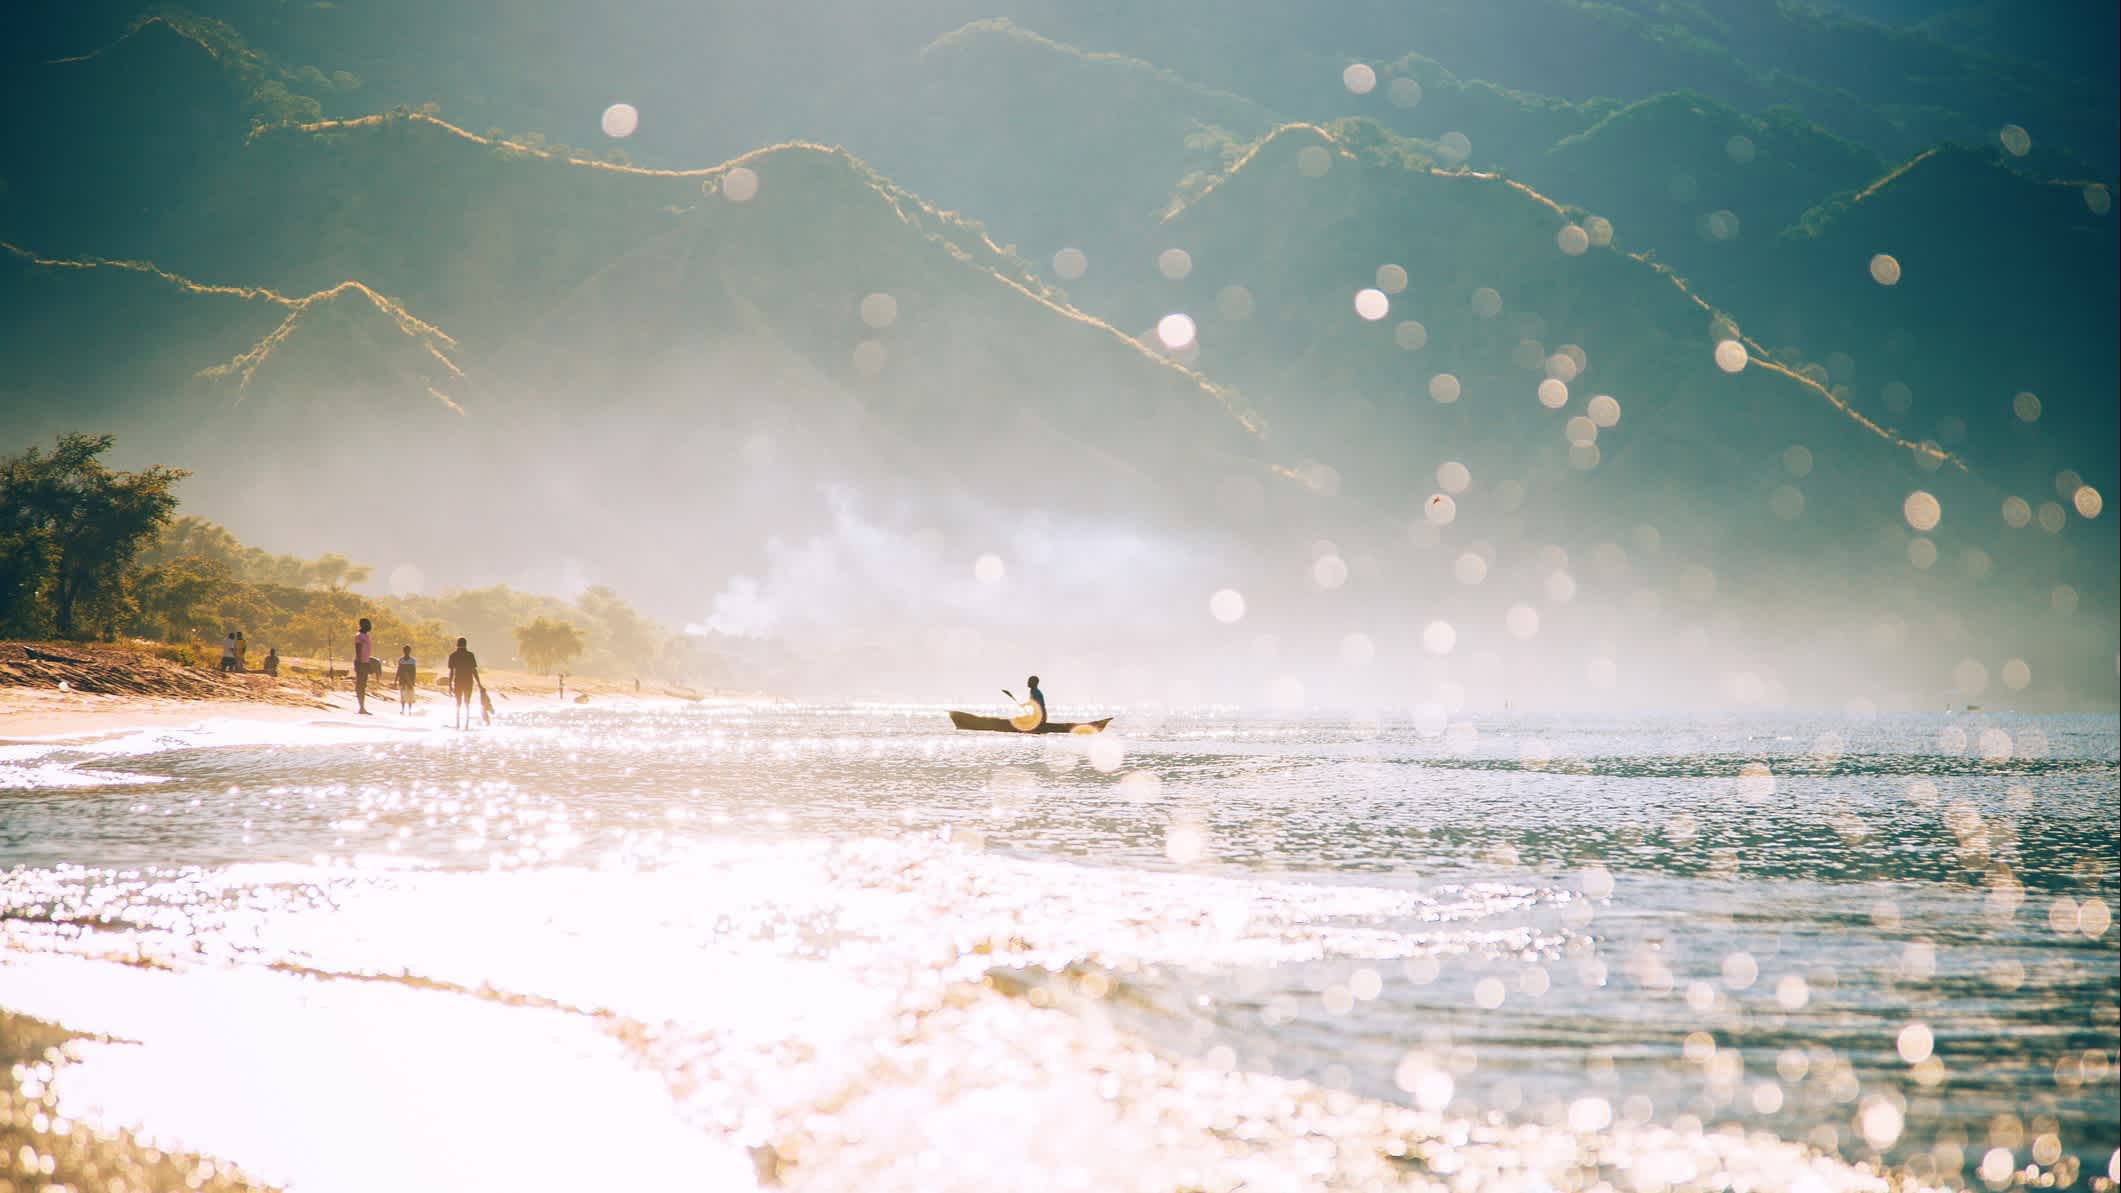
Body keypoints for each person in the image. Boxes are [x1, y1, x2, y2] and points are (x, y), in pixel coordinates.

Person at [447, 637, 480, 729]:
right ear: (465, 644)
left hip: (458, 681)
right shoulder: (470, 655)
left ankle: (457, 723)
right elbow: (474, 670)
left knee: (458, 702)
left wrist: (450, 685)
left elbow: (451, 672)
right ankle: (466, 724)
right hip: (468, 681)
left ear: (457, 644)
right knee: (467, 702)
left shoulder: (453, 655)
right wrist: (479, 684)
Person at [352, 617, 374, 715]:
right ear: (362, 625)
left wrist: (368, 664)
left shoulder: (366, 636)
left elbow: (367, 652)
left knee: (363, 685)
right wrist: (359, 663)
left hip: (365, 662)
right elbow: (358, 650)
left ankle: (362, 707)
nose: (370, 626)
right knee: (360, 685)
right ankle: (361, 707)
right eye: (368, 624)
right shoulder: (359, 636)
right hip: (361, 662)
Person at [395, 645, 417, 714]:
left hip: (410, 681)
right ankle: (403, 710)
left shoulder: (412, 660)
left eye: (407, 651)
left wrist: (412, 681)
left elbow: (414, 672)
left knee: (410, 696)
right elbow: (398, 670)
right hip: (402, 680)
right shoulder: (401, 660)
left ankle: (410, 710)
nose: (406, 652)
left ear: (409, 651)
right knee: (403, 696)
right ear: (403, 651)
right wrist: (395, 680)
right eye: (405, 651)